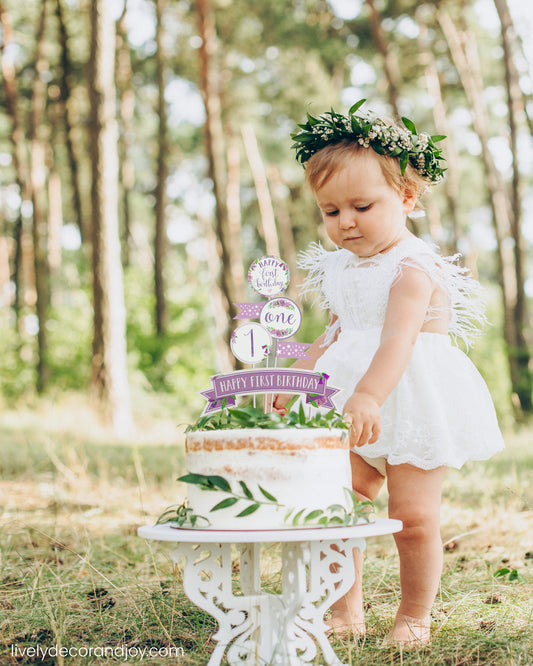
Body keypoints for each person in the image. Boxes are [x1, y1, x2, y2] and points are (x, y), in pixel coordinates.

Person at [273, 101, 505, 647]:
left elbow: (399, 339)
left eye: (360, 205)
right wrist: (297, 377)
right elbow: (333, 333)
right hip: (350, 398)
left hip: (409, 395)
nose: (345, 222)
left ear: (406, 198)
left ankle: (413, 617)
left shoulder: (412, 266)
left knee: (413, 515)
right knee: (338, 501)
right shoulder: (340, 267)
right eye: (330, 212)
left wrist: (368, 395)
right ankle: (344, 611)